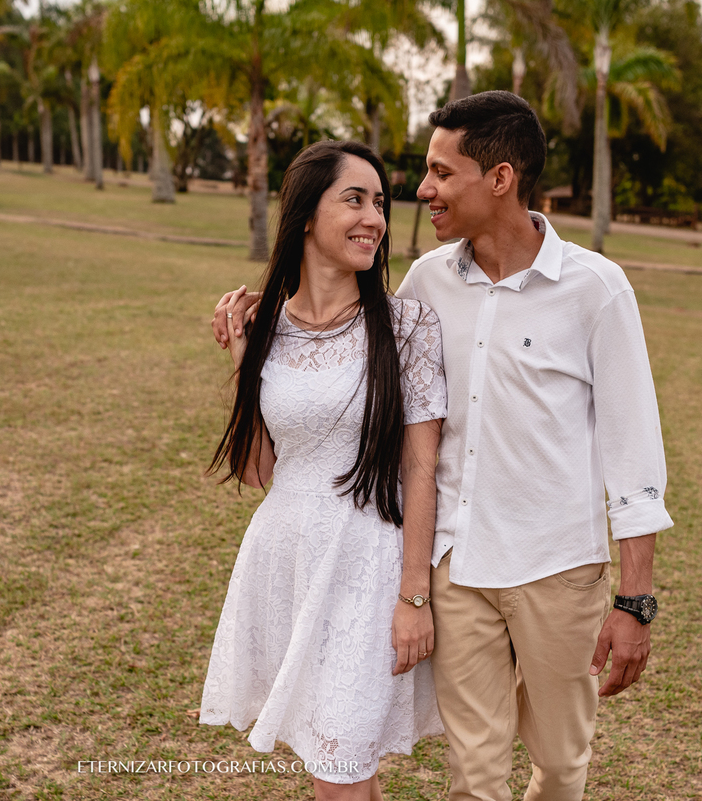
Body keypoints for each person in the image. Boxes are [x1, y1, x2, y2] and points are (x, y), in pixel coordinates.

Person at [213, 92, 672, 801]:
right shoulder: (424, 286)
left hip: (557, 566)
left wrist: (635, 598)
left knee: (558, 761)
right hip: (455, 565)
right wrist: (257, 334)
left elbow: (633, 451)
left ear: (500, 178)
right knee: (474, 772)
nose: (421, 191)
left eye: (439, 172)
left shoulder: (596, 288)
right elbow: (327, 346)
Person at [200, 139, 447, 801]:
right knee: (336, 771)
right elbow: (258, 471)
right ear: (307, 214)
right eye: (355, 199)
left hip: (367, 567)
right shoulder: (270, 326)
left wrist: (413, 595)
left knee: (340, 775)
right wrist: (244, 354)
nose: (375, 218)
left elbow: (421, 467)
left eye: (379, 202)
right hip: (287, 560)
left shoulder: (406, 324)